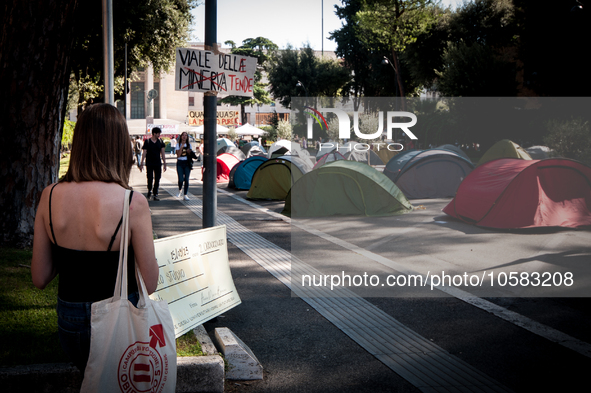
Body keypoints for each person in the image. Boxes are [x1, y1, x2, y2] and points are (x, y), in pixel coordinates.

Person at [31, 103, 159, 373]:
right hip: (118, 320)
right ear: (119, 145)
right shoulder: (131, 203)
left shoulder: (50, 195)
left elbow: (40, 277)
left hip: (70, 322)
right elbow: (150, 282)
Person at [139, 127, 167, 201]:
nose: (159, 135)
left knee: (157, 178)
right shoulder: (147, 142)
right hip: (149, 163)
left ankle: (155, 193)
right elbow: (144, 153)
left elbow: (163, 153)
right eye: (158, 133)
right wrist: (141, 163)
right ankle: (149, 190)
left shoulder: (160, 142)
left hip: (157, 163)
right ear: (154, 133)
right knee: (150, 177)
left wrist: (165, 163)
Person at [175, 132, 195, 201]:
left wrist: (190, 152)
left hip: (187, 163)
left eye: (185, 135)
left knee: (186, 179)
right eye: (183, 135)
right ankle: (180, 189)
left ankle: (185, 194)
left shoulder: (189, 145)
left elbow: (191, 154)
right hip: (180, 163)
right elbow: (178, 155)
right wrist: (182, 146)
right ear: (180, 137)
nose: (184, 136)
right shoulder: (178, 144)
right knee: (180, 179)